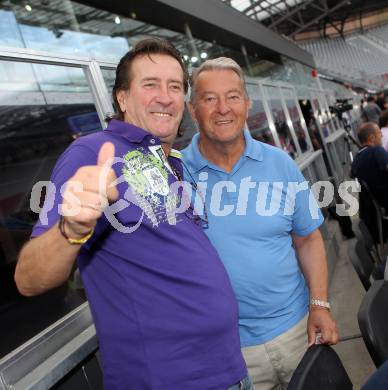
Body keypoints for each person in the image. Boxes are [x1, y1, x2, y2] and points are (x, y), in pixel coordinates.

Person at [14, 39, 251, 390]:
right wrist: (72, 228)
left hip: (228, 369)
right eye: (150, 84)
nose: (165, 96)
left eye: (174, 86)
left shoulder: (172, 164)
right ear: (122, 98)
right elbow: (28, 278)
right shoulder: (92, 153)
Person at [182, 57, 339, 389]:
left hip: (299, 330)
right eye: (210, 99)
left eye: (233, 96)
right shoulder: (176, 176)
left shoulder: (280, 163)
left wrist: (320, 304)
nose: (223, 108)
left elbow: (308, 239)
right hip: (229, 353)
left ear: (247, 103)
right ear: (192, 109)